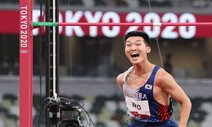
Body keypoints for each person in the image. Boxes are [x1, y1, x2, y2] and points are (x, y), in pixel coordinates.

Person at [116, 31, 191, 127]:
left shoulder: (161, 77)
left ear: (148, 49)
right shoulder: (122, 79)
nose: (133, 48)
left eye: (138, 44)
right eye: (128, 45)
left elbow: (185, 102)